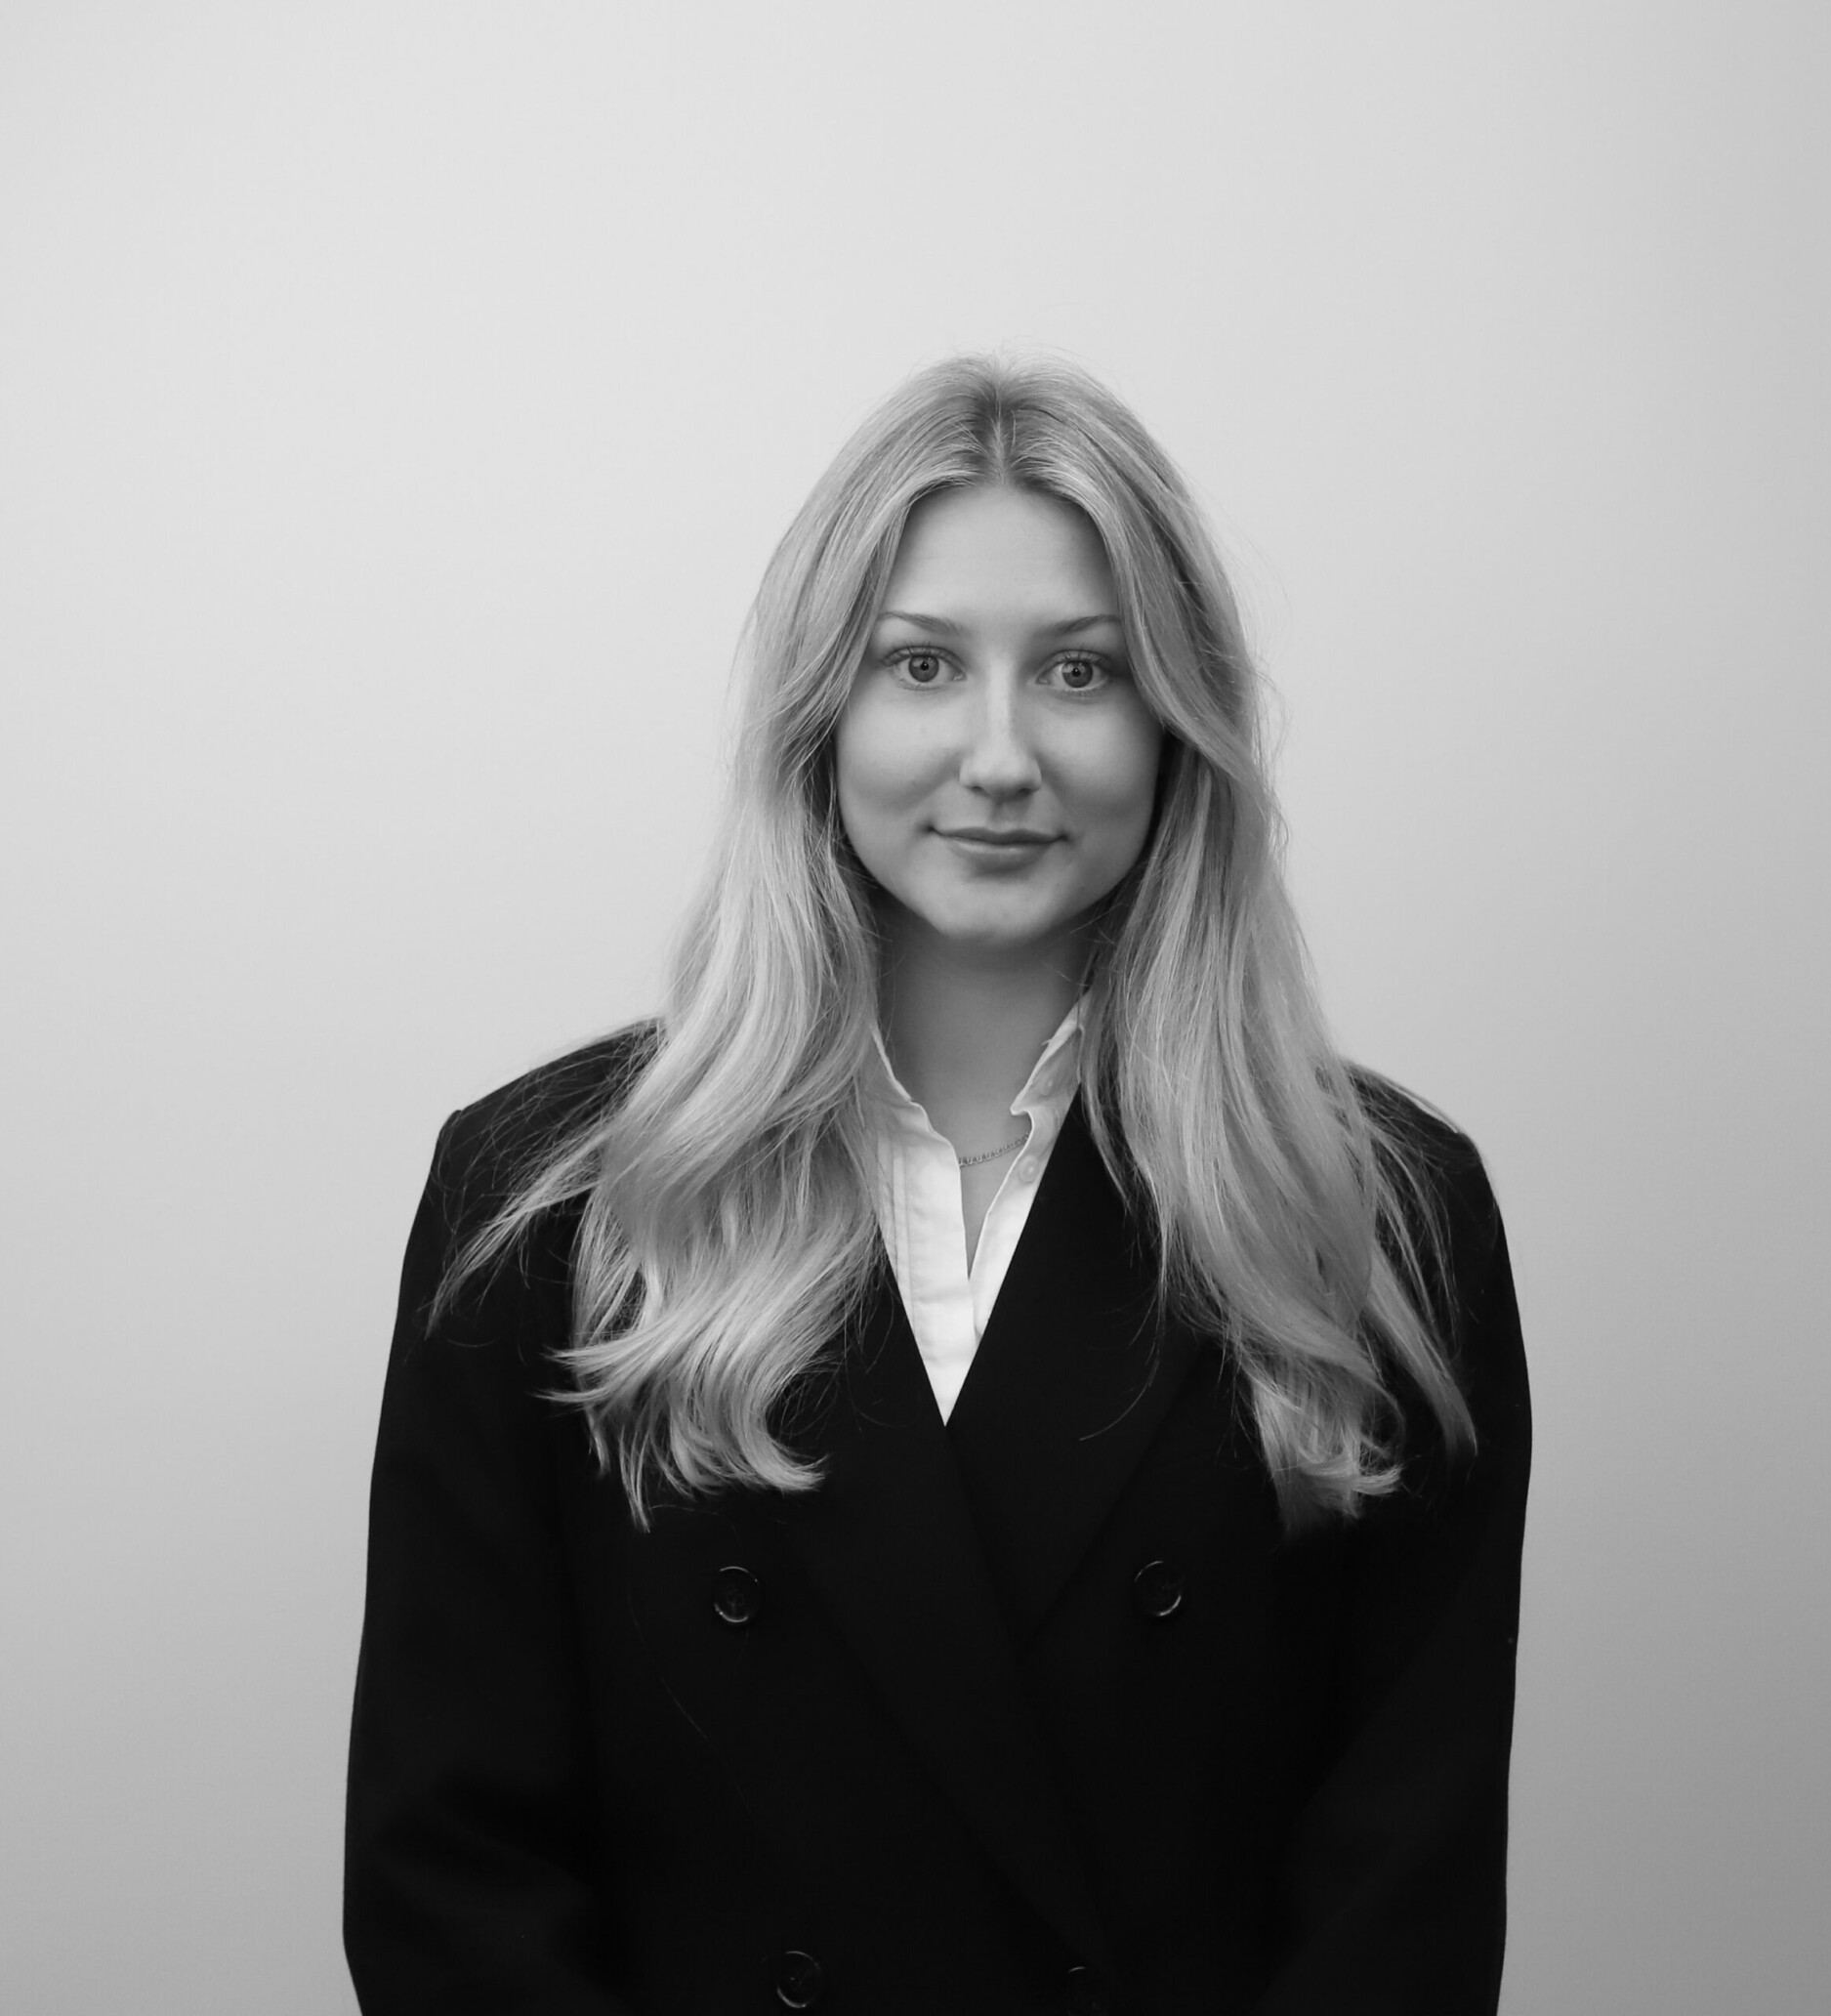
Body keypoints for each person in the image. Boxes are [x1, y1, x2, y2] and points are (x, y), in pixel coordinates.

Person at [344, 356, 1531, 2016]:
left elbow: (1401, 1900)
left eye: (1079, 670)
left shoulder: (1377, 1217)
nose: (1000, 754)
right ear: (820, 713)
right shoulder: (542, 1203)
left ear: (1177, 722)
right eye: (922, 664)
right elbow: (451, 1878)